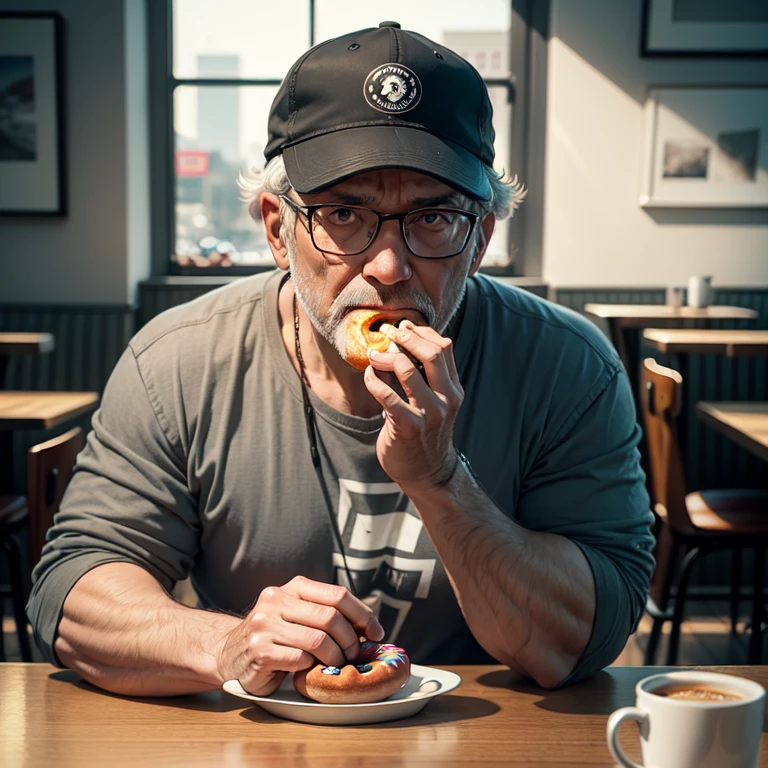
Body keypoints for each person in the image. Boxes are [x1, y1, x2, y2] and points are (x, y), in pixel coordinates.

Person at [27, 22, 654, 697]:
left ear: (480, 240)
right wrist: (228, 644)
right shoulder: (178, 362)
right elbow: (72, 592)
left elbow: (583, 637)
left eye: (434, 218)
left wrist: (442, 482)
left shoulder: (566, 365)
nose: (388, 266)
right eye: (343, 215)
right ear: (278, 227)